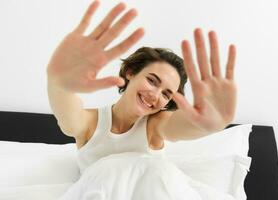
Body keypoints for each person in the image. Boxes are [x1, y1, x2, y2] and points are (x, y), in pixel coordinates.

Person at [47, 0, 237, 174]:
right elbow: (68, 118)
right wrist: (58, 82)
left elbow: (178, 127)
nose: (155, 95)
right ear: (130, 72)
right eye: (152, 81)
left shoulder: (155, 124)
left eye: (166, 94)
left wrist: (209, 125)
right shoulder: (91, 122)